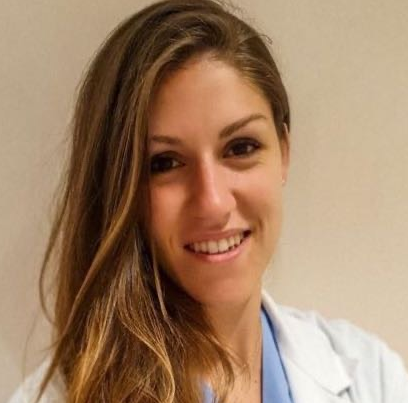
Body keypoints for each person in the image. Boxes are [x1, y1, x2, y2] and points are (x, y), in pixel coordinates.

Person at [8, 0, 408, 402]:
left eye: (241, 147)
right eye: (165, 163)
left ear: (284, 151)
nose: (213, 203)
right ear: (118, 189)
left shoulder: (372, 375)